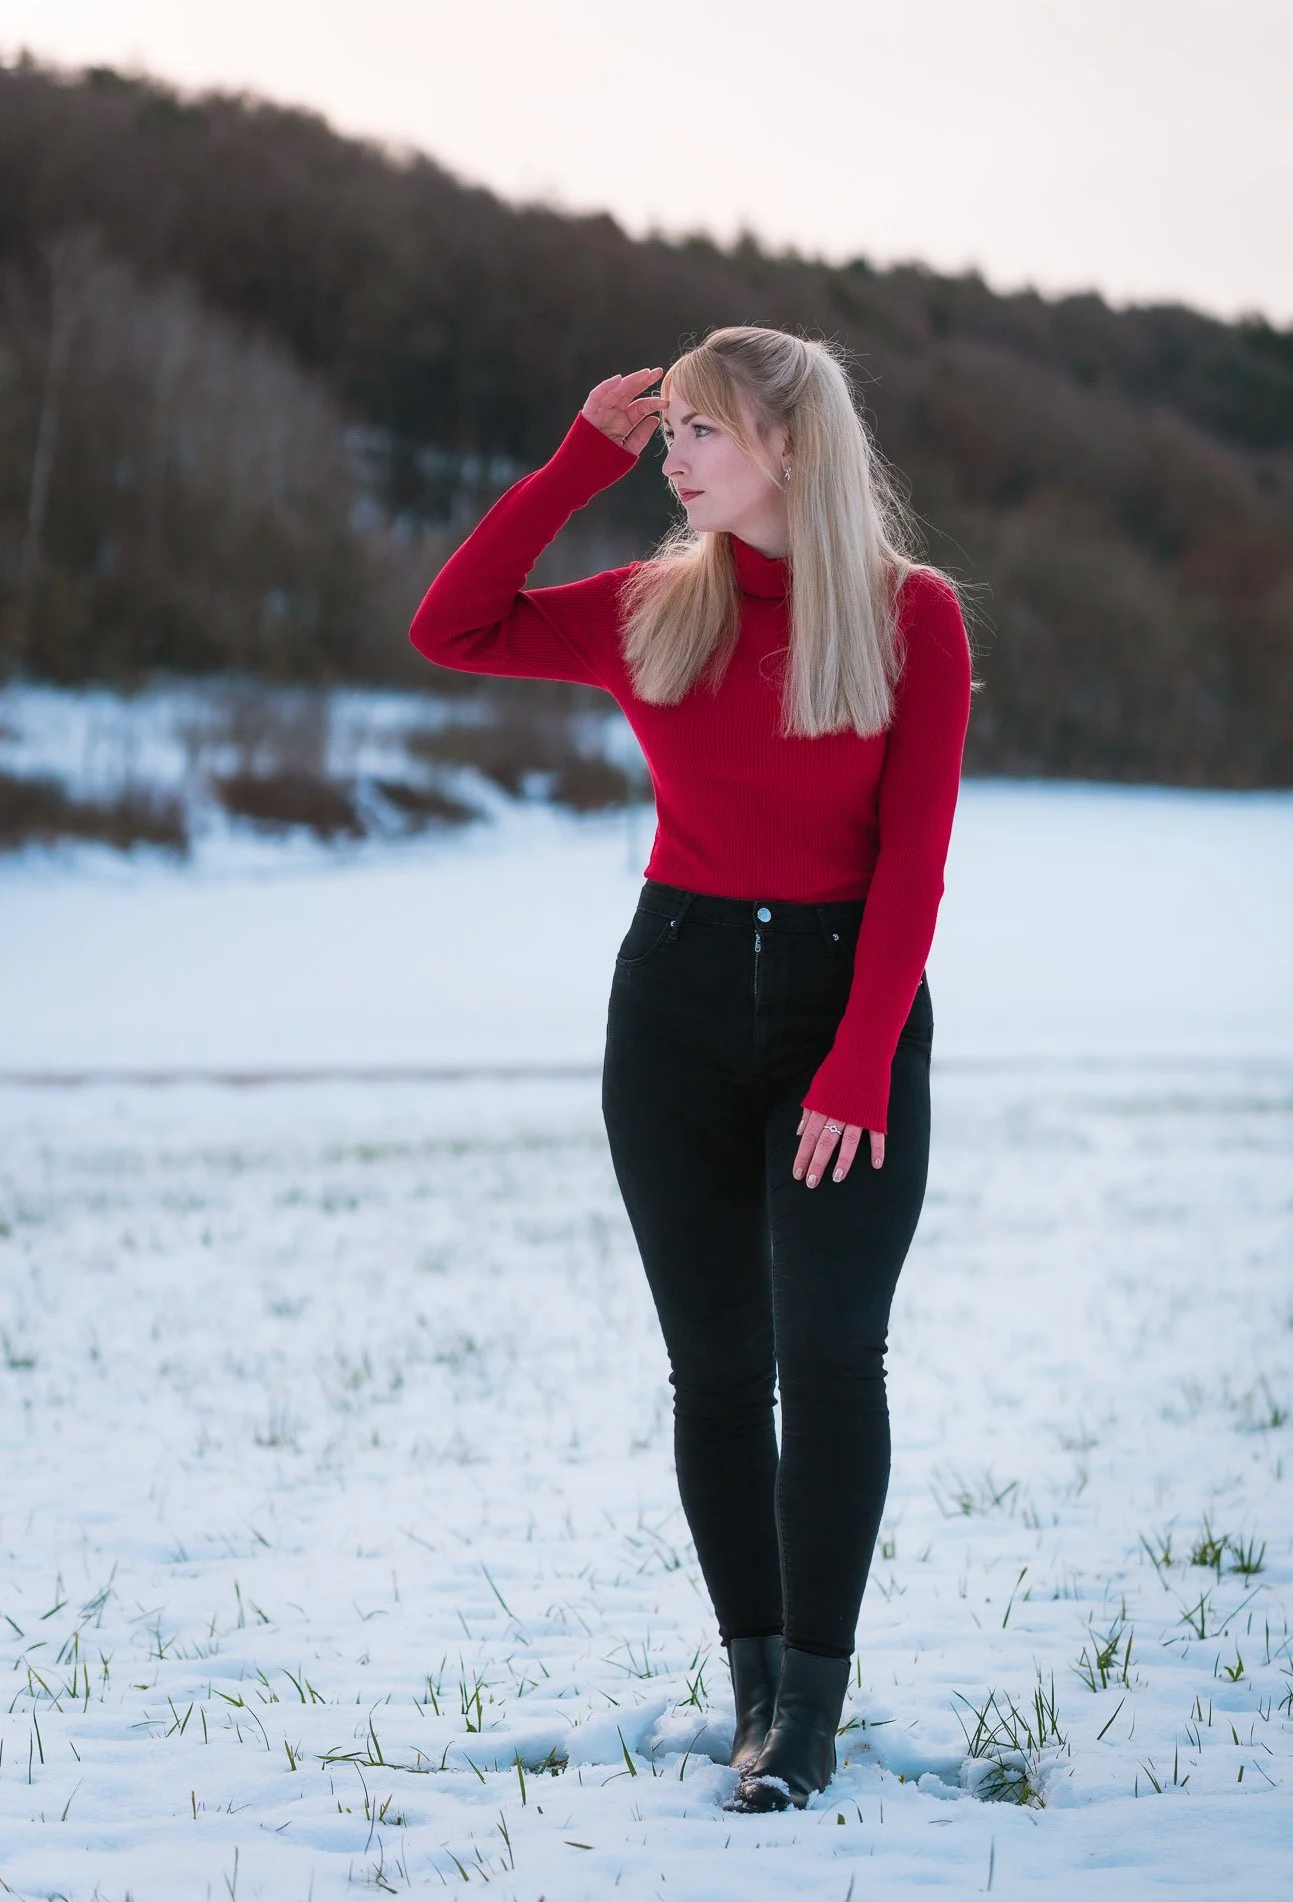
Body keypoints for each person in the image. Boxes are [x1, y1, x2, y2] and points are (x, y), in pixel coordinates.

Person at [409, 326, 973, 1813]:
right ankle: (755, 1688)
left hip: (843, 1018)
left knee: (833, 1356)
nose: (675, 456)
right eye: (669, 437)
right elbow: (449, 628)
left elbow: (914, 864)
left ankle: (814, 1710)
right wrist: (571, 465)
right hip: (671, 1012)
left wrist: (858, 1064)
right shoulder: (657, 607)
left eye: (697, 432)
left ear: (786, 445)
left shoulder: (912, 618)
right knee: (717, 1368)